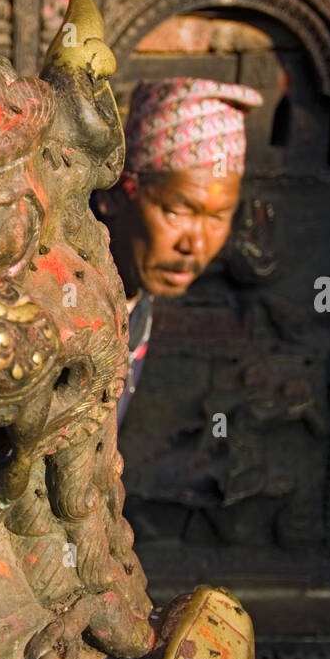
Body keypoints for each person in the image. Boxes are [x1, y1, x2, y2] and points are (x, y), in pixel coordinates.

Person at [95, 77, 263, 426]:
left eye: (218, 216)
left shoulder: (136, 298)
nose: (195, 245)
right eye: (177, 211)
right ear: (115, 194)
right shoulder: (58, 296)